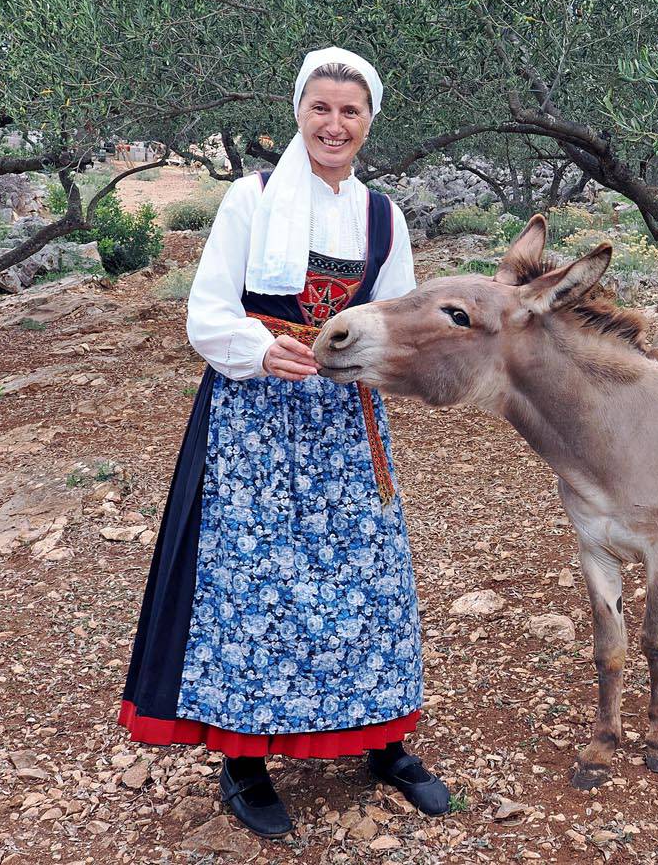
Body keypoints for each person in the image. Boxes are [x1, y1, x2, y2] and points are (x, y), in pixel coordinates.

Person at [119, 47, 448, 839]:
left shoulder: (383, 217)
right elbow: (205, 312)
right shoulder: (249, 197)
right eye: (321, 108)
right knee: (251, 587)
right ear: (298, 113)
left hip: (342, 422)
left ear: (369, 122)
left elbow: (397, 320)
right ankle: (243, 763)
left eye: (351, 111)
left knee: (365, 577)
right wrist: (263, 352)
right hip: (254, 423)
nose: (335, 124)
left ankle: (381, 740)